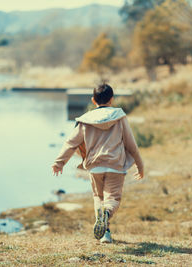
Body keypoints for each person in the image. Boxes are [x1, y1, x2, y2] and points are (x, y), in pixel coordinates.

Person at [52, 84, 144, 243]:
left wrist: (59, 163)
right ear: (112, 99)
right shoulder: (119, 117)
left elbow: (71, 143)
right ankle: (107, 213)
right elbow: (131, 144)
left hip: (95, 166)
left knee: (98, 197)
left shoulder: (85, 120)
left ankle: (105, 234)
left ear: (93, 100)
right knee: (112, 198)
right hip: (116, 165)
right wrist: (140, 165)